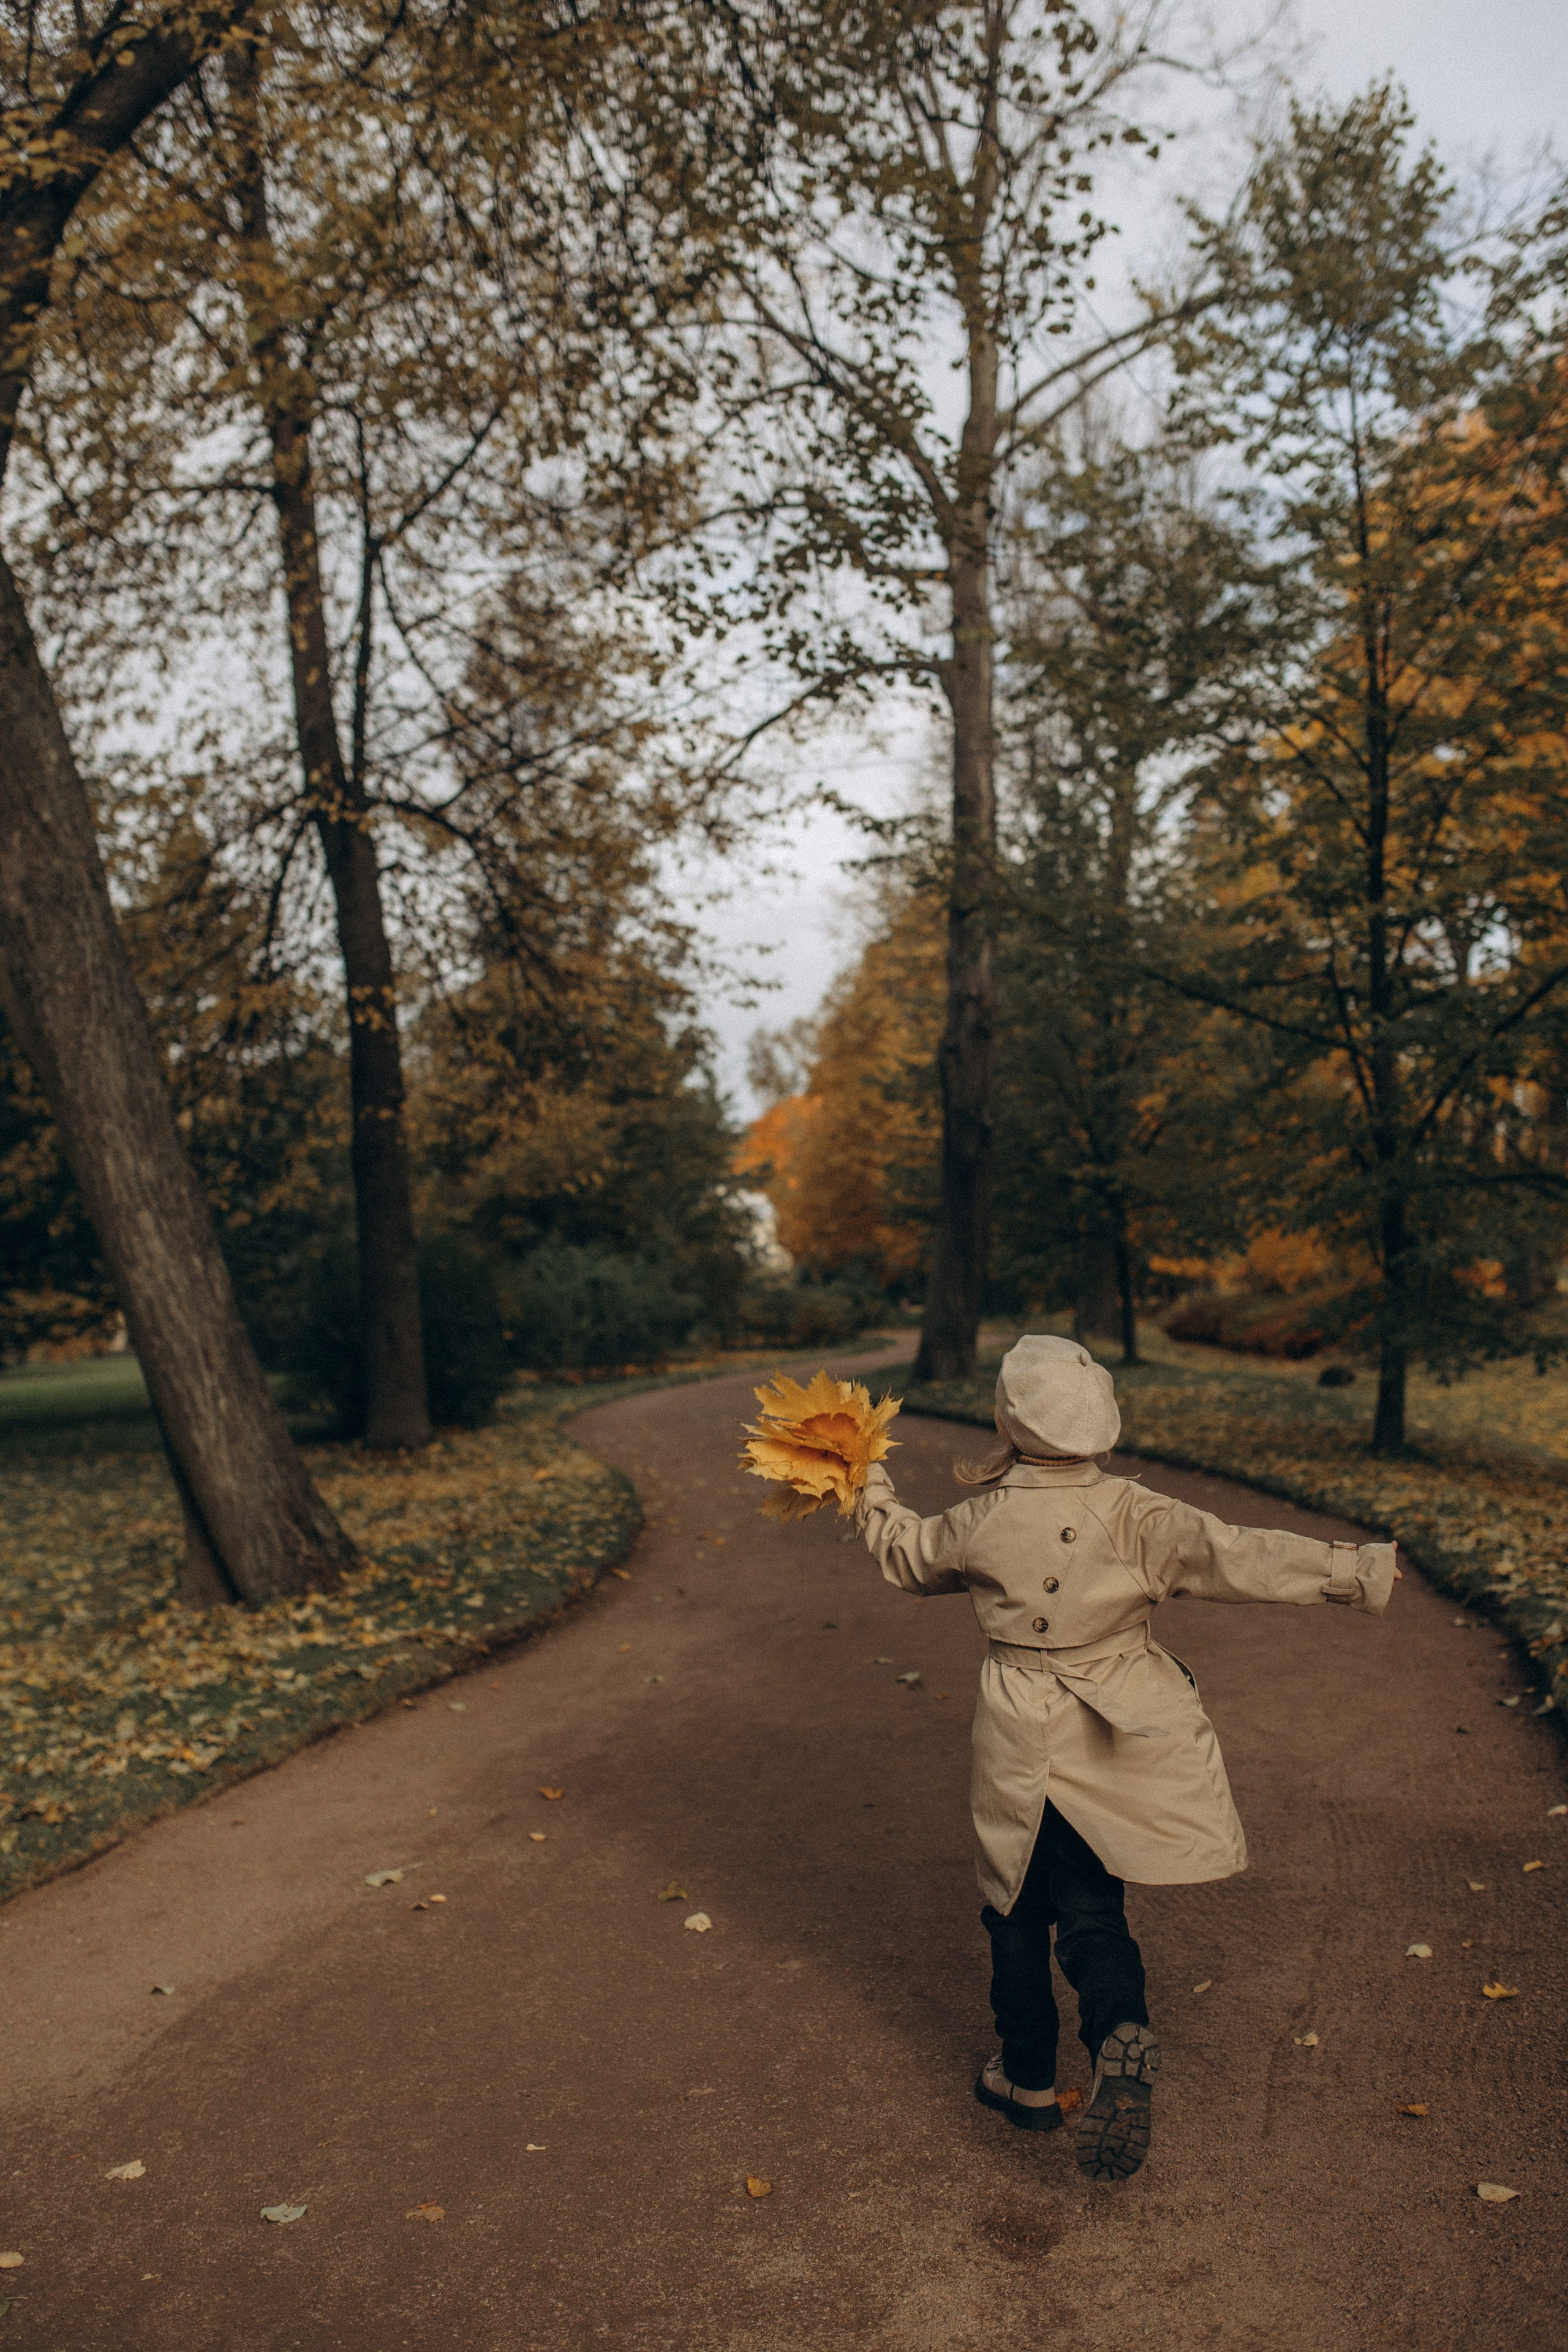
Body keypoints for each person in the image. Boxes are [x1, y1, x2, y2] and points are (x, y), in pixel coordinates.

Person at [853, 1333, 1398, 2181]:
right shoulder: (1142, 1516)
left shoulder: (981, 1520)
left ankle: (1027, 2078)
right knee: (1093, 1910)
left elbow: (905, 1555)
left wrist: (867, 1482)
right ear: (1102, 1427)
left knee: (1014, 1910)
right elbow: (1242, 1554)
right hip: (1106, 1729)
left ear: (1007, 1423)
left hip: (1017, 1732)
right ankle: (1117, 2031)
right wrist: (1353, 1571)